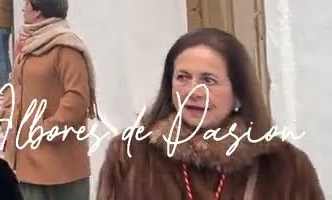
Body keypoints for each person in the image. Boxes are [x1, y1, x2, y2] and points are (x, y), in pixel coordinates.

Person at [97, 27, 324, 199]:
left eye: (208, 80)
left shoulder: (284, 165)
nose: (193, 92)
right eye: (183, 77)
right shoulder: (130, 155)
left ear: (238, 91)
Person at [2, 0, 96, 200]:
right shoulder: (27, 44)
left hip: (60, 159)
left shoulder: (66, 46)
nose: (22, 9)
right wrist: (6, 113)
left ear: (38, 11)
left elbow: (77, 96)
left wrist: (48, 128)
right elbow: (15, 82)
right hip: (26, 156)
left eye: (26, 5)